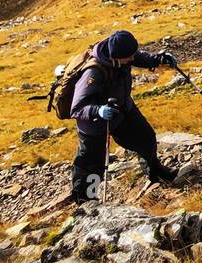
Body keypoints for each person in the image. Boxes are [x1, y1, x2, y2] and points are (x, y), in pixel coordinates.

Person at [68, 29, 180, 203]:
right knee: (92, 164)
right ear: (116, 57)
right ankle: (85, 199)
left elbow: (138, 57)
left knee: (146, 137)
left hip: (122, 110)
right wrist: (98, 111)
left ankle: (155, 172)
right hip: (95, 124)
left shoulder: (122, 54)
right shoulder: (93, 73)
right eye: (129, 57)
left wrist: (158, 59)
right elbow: (76, 108)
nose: (133, 59)